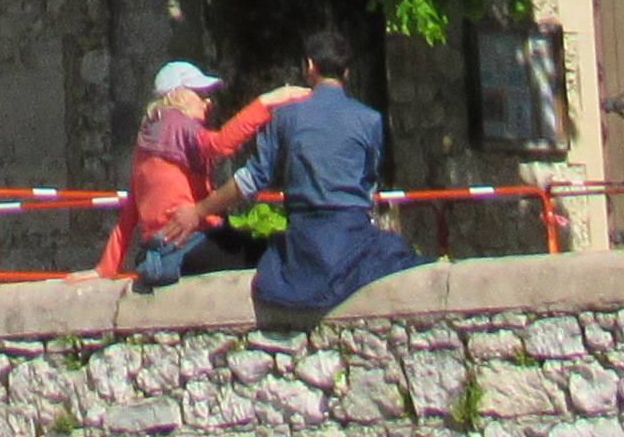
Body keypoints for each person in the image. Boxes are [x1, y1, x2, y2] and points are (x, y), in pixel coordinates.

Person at [237, 36, 422, 315]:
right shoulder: (370, 119)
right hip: (351, 236)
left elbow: (254, 176)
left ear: (309, 66)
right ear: (346, 72)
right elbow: (369, 177)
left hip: (304, 240)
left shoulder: (285, 115)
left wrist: (201, 209)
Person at [102, 60, 287, 285]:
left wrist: (106, 268)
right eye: (199, 94)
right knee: (277, 250)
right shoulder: (175, 121)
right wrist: (266, 103)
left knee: (256, 245)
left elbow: (131, 210)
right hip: (186, 244)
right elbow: (219, 144)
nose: (207, 102)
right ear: (178, 95)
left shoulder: (148, 138)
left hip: (162, 250)